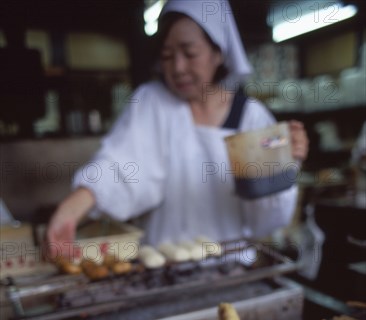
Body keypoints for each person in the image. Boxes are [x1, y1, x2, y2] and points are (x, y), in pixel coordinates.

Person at [46, 0, 308, 258]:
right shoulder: (152, 102)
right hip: (161, 267)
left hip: (229, 270)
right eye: (167, 56)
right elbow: (123, 165)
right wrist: (72, 207)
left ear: (218, 53)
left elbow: (266, 220)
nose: (178, 67)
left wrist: (284, 163)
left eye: (190, 53)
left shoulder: (250, 118)